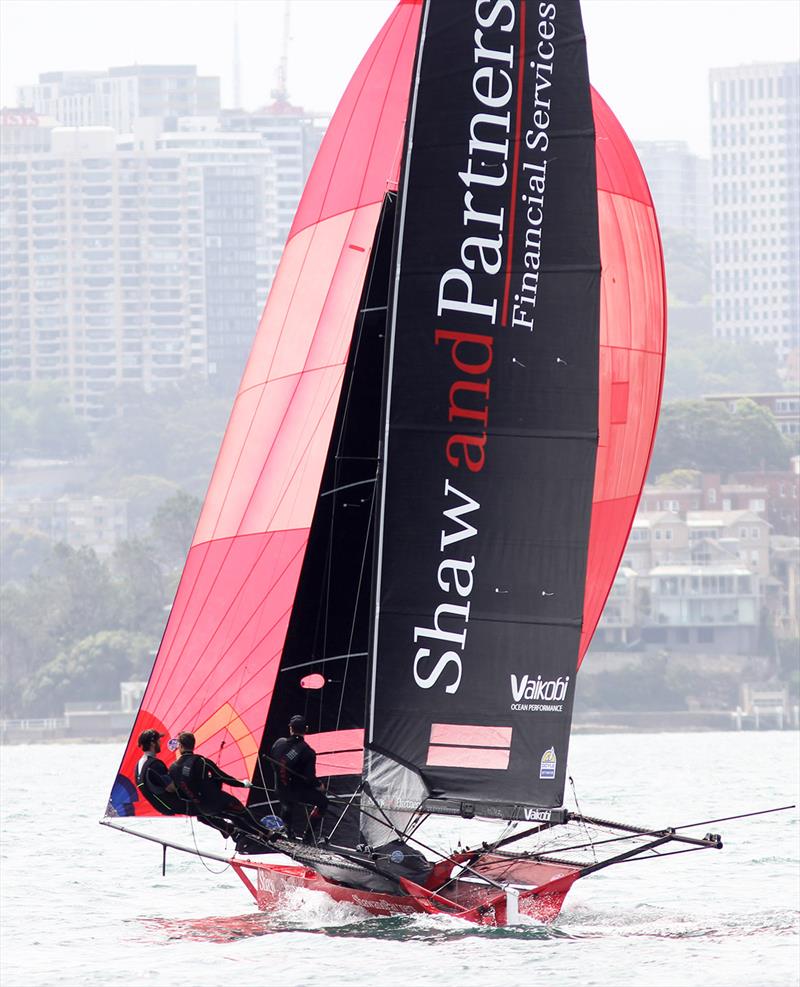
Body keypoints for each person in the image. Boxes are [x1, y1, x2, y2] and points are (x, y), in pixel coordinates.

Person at [167, 731, 264, 840]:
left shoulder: (172, 768)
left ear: (180, 745)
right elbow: (222, 777)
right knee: (241, 814)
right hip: (218, 801)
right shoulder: (201, 761)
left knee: (225, 817)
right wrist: (243, 784)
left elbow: (179, 792)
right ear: (193, 744)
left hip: (202, 808)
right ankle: (265, 833)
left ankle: (232, 830)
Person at [269, 715, 329, 841]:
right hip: (297, 792)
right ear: (306, 729)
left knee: (286, 804)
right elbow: (310, 778)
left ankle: (289, 832)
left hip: (279, 789)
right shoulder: (308, 752)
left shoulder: (278, 743)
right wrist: (319, 786)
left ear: (290, 728)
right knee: (323, 802)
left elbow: (274, 764)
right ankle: (308, 837)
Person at [135, 728, 185, 816]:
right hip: (174, 805)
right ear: (152, 744)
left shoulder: (139, 764)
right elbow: (172, 788)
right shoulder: (154, 765)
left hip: (161, 807)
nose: (160, 743)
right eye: (158, 741)